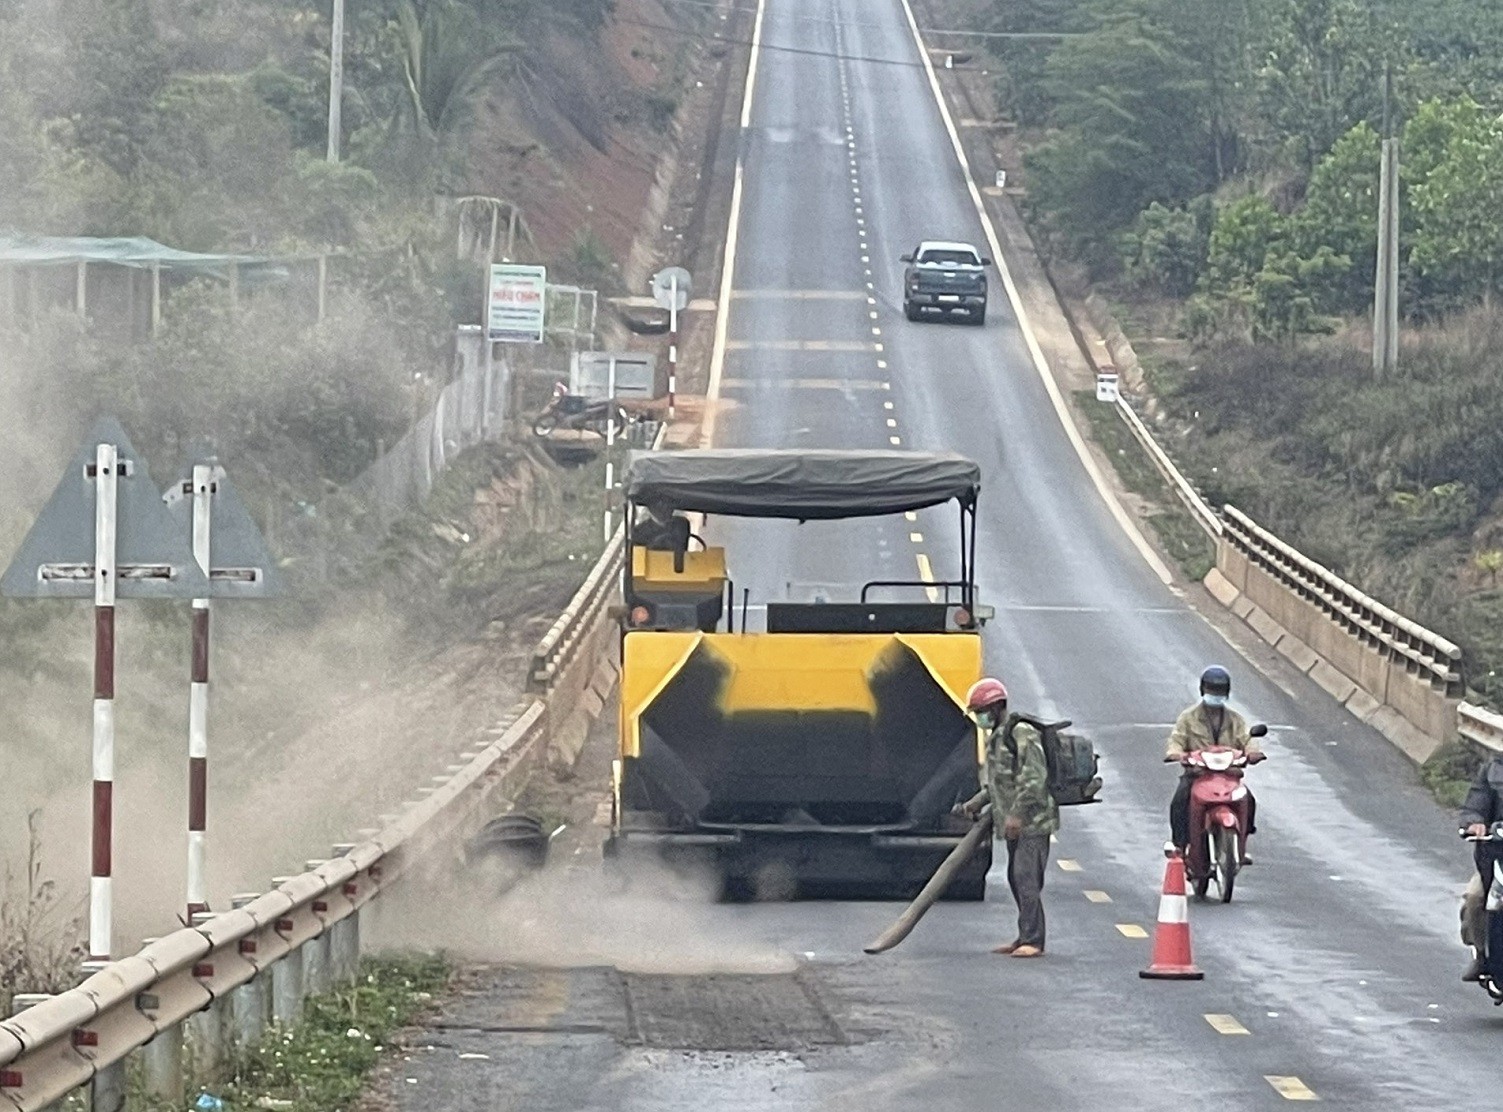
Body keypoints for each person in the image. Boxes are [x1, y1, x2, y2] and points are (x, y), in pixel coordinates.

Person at [961, 677, 1058, 958]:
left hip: (1033, 822)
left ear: (997, 707)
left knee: (1025, 877)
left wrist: (1016, 814)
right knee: (1015, 879)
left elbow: (1034, 779)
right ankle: (1023, 936)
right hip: (1013, 825)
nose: (980, 717)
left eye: (982, 710)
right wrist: (974, 804)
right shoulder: (998, 737)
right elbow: (999, 783)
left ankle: (1034, 940)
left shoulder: (1021, 733)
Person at [1163, 665, 1265, 860]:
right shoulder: (1188, 718)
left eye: (1219, 691)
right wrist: (1176, 754)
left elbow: (1247, 738)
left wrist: (1253, 753)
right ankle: (1179, 843)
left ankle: (1240, 843)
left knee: (1248, 800)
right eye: (1211, 690)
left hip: (1228, 776)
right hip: (1197, 775)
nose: (1215, 695)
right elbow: (1177, 739)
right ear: (1203, 690)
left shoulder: (1235, 720)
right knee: (1180, 801)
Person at [1458, 754, 1503, 981]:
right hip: (1496, 863)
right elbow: (1475, 805)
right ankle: (1483, 956)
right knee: (1475, 899)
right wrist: (1474, 823)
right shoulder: (1493, 770)